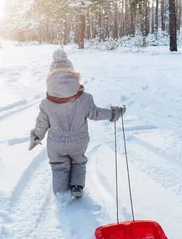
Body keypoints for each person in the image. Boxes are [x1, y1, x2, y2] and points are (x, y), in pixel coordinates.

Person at [29, 48, 126, 198]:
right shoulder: (85, 99)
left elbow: (41, 124)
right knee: (78, 162)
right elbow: (96, 113)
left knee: (59, 167)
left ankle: (61, 194)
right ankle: (76, 187)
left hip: (56, 144)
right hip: (78, 142)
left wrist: (36, 137)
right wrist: (113, 113)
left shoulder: (47, 103)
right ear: (72, 75)